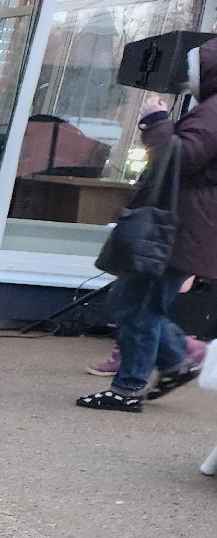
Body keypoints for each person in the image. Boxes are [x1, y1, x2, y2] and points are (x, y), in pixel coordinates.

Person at [78, 66, 217, 412]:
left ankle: (128, 389)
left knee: (138, 305)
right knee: (131, 300)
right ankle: (177, 360)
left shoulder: (214, 111)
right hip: (184, 225)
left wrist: (155, 120)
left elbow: (176, 159)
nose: (186, 75)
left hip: (178, 226)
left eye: (192, 66)